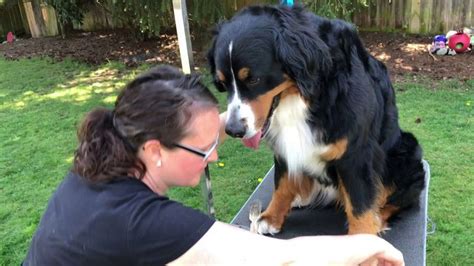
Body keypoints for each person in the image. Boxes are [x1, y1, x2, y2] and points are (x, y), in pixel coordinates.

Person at [23, 65, 404, 265]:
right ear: (156, 150)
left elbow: (205, 129)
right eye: (205, 150)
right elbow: (284, 260)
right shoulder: (146, 225)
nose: (215, 155)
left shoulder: (104, 157)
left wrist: (240, 120)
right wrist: (368, 247)